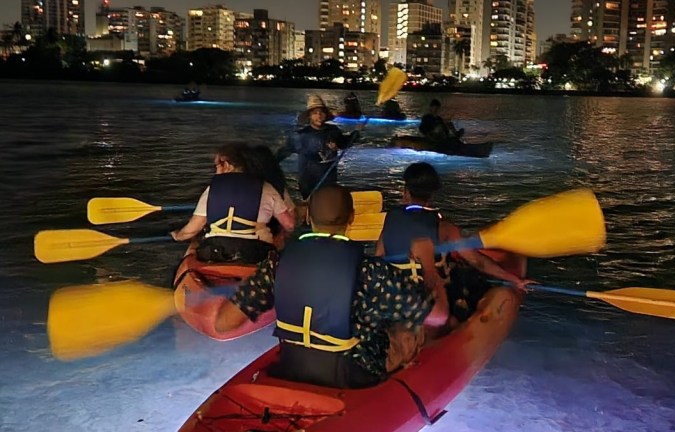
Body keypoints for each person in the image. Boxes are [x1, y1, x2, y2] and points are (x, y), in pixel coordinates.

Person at [215, 184, 433, 388]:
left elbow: (223, 324)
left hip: (293, 366)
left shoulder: (277, 264)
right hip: (353, 376)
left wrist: (262, 286)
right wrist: (429, 264)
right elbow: (435, 314)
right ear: (352, 218)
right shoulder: (370, 270)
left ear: (308, 216)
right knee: (408, 327)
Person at [375, 162, 533, 325]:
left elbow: (379, 257)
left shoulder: (390, 219)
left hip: (394, 297)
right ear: (432, 195)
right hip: (430, 301)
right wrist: (514, 279)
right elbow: (477, 261)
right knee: (464, 278)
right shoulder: (445, 228)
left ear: (405, 191)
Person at [171, 142, 295, 264]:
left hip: (216, 251)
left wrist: (178, 235)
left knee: (196, 241)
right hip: (256, 252)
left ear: (227, 165)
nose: (216, 171)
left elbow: (192, 230)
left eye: (217, 166)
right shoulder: (266, 188)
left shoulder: (213, 188)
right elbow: (289, 225)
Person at [277, 94, 360, 200]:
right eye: (315, 113)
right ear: (310, 116)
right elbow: (282, 152)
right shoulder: (301, 136)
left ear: (326, 115)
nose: (319, 116)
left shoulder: (333, 131)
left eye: (321, 112)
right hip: (308, 182)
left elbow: (344, 143)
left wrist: (355, 134)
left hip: (329, 179)